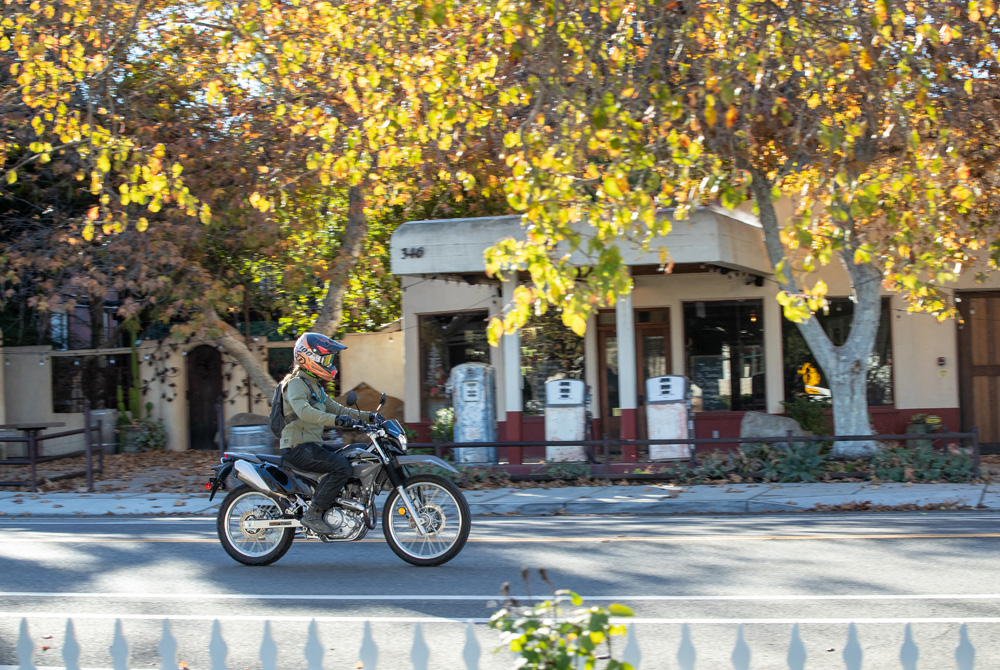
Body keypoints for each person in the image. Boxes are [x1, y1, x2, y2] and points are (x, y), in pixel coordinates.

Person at [279, 332, 383, 534]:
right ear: (308, 358)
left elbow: (339, 409)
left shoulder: (314, 386)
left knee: (357, 453)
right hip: (296, 448)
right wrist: (336, 421)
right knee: (341, 467)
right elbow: (305, 412)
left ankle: (344, 503)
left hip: (311, 446)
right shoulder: (295, 384)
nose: (329, 363)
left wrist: (369, 416)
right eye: (325, 359)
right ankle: (314, 514)